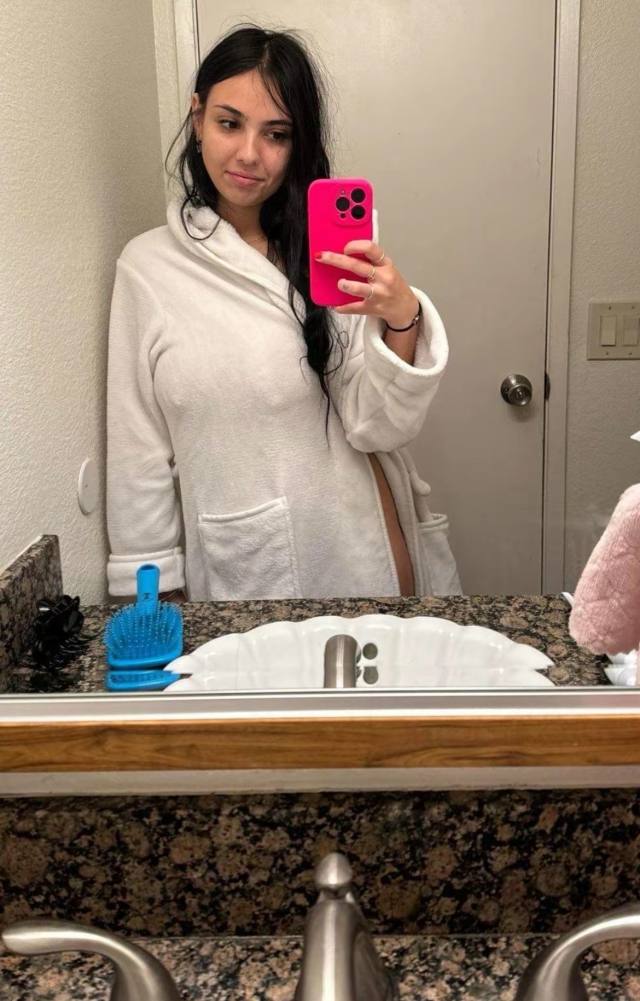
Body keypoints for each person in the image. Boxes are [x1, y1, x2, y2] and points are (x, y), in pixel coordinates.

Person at [106, 24, 461, 603]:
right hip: (250, 567)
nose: (250, 154)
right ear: (197, 118)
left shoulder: (329, 253)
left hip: (365, 546)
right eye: (229, 123)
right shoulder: (149, 268)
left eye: (276, 134)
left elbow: (378, 426)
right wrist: (151, 592)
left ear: (298, 144)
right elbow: (137, 454)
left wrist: (403, 319)